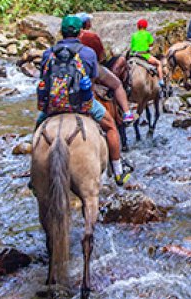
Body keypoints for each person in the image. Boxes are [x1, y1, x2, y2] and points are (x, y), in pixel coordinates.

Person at [37, 15, 130, 185]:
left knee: (38, 129)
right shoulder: (88, 53)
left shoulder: (47, 53)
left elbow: (44, 77)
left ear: (61, 32)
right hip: (81, 105)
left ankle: (34, 174)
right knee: (111, 126)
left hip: (53, 106)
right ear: (80, 33)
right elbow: (93, 78)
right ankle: (118, 171)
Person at [76, 12, 135, 124]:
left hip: (71, 68)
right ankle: (127, 113)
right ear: (86, 23)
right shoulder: (91, 36)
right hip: (92, 67)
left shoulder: (69, 37)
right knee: (117, 84)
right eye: (89, 21)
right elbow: (101, 57)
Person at [129, 19, 165, 86]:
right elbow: (151, 44)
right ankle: (161, 81)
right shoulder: (147, 34)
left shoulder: (134, 35)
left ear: (138, 26)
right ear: (146, 26)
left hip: (133, 56)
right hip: (144, 55)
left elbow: (132, 46)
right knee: (159, 63)